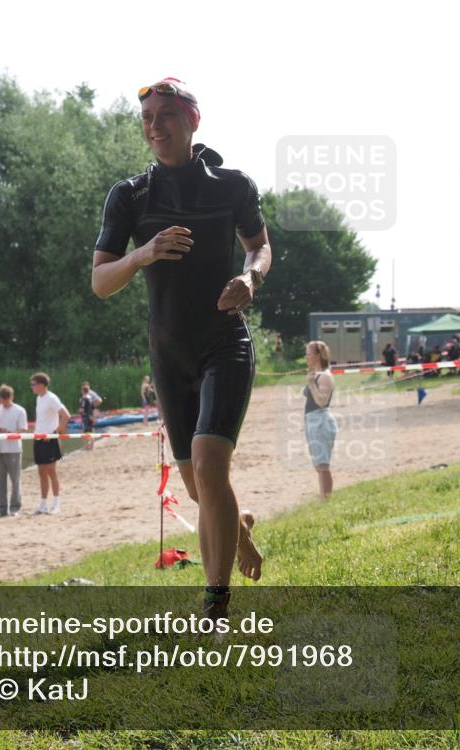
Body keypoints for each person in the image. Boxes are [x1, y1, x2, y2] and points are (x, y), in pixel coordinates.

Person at [91, 78, 270, 619]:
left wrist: (251, 280)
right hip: (169, 355)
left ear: (193, 119)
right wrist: (141, 254)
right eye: (146, 116)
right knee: (197, 484)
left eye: (166, 114)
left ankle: (216, 601)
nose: (154, 125)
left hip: (225, 342)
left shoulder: (233, 185)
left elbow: (259, 246)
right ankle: (236, 529)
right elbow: (100, 281)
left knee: (211, 464)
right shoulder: (130, 196)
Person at [30, 373, 70, 514]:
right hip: (39, 439)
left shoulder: (52, 398)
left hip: (50, 440)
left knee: (51, 472)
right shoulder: (38, 399)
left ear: (41, 385)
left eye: (33, 384)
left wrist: (55, 433)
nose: (32, 387)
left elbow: (66, 415)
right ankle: (43, 504)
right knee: (41, 472)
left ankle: (56, 504)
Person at [303, 340, 337, 498]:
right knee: (319, 464)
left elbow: (321, 402)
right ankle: (325, 496)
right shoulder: (316, 375)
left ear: (317, 356)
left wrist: (311, 384)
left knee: (323, 465)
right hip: (313, 421)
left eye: (309, 353)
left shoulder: (325, 376)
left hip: (321, 420)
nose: (306, 357)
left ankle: (326, 498)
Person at [0, 384, 29, 517]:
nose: (5, 401)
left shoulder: (20, 410)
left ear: (12, 397)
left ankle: (15, 507)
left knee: (15, 479)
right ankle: (1, 508)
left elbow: (23, 429)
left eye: (7, 398)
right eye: (2, 399)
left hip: (14, 449)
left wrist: (10, 432)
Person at [79, 383, 101, 450]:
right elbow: (93, 408)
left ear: (82, 391)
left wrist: (80, 412)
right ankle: (91, 447)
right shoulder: (91, 399)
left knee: (85, 432)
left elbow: (81, 410)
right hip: (91, 417)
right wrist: (93, 417)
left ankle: (86, 447)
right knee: (91, 431)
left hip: (86, 418)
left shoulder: (83, 399)